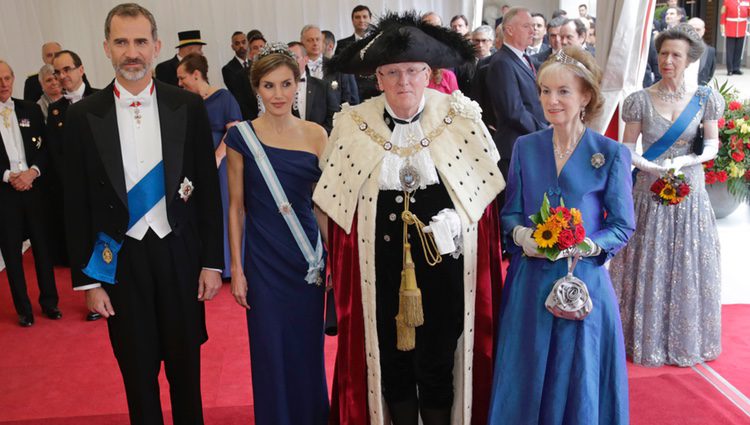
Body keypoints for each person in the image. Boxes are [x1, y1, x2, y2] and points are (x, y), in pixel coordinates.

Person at [315, 12, 505, 425]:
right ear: (377, 77)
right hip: (380, 272)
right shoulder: (352, 124)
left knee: (437, 363)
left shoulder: (460, 117)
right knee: (392, 364)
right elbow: (334, 209)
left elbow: (484, 203)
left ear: (429, 74)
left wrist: (459, 220)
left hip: (444, 272)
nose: (404, 82)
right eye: (393, 72)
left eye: (414, 72)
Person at [63, 4, 223, 423]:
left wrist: (211, 262)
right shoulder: (83, 116)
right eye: (121, 42)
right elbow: (75, 203)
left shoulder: (186, 106)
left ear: (156, 46)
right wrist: (88, 282)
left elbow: (207, 191)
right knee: (138, 373)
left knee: (186, 371)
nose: (131, 52)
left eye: (139, 42)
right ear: (106, 48)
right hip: (120, 261)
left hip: (180, 257)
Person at [488, 46, 635, 424]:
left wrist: (588, 245)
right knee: (527, 372)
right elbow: (511, 213)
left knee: (577, 376)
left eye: (563, 92)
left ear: (585, 96)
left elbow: (622, 224)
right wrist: (523, 236)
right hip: (530, 284)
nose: (551, 101)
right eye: (544, 91)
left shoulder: (611, 153)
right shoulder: (525, 147)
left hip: (582, 283)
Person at [224, 42, 329, 425]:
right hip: (264, 261)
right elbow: (236, 207)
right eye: (269, 86)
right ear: (256, 88)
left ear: (298, 84)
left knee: (306, 348)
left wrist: (334, 261)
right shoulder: (240, 138)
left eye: (287, 84)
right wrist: (236, 268)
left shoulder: (318, 135)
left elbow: (323, 205)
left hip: (308, 263)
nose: (279, 94)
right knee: (269, 349)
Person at [609, 24, 724, 367]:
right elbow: (626, 149)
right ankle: (643, 336)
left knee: (687, 258)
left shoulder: (705, 98)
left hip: (690, 189)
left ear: (689, 60)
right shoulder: (639, 100)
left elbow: (713, 144)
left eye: (675, 55)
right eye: (663, 54)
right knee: (650, 257)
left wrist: (688, 159)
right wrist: (651, 167)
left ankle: (686, 337)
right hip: (650, 187)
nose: (667, 60)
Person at [0, 60, 60, 327]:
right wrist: (7, 176)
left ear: (13, 79)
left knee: (43, 249)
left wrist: (32, 172)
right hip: (5, 193)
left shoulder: (31, 110)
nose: (3, 84)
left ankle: (50, 303)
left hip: (33, 188)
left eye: (6, 78)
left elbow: (46, 149)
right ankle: (24, 309)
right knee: (12, 254)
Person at [177, 52, 241, 279]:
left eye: (182, 77)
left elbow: (233, 131)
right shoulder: (188, 103)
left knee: (222, 208)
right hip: (195, 165)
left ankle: (226, 264)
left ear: (196, 75)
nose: (179, 83)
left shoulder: (224, 97)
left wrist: (216, 158)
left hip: (221, 165)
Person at [47, 50, 99, 274]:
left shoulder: (102, 98)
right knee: (85, 243)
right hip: (77, 190)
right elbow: (56, 155)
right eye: (57, 72)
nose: (62, 75)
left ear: (81, 69)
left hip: (108, 185)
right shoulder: (56, 110)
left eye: (67, 69)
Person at [488, 6, 548, 179]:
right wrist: (543, 129)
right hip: (515, 148)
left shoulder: (524, 58)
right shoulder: (502, 62)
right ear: (509, 30)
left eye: (534, 26)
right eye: (526, 26)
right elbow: (513, 110)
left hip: (530, 144)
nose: (533, 30)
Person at [720, 0, 749, 75]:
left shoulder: (747, 1)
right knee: (730, 50)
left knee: (739, 50)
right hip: (730, 28)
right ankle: (730, 69)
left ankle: (736, 68)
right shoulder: (727, 1)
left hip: (741, 28)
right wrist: (723, 28)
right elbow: (723, 14)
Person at [688, 17, 716, 86]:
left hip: (699, 92)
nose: (694, 32)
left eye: (698, 30)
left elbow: (709, 74)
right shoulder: (676, 48)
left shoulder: (710, 51)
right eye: (691, 29)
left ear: (703, 31)